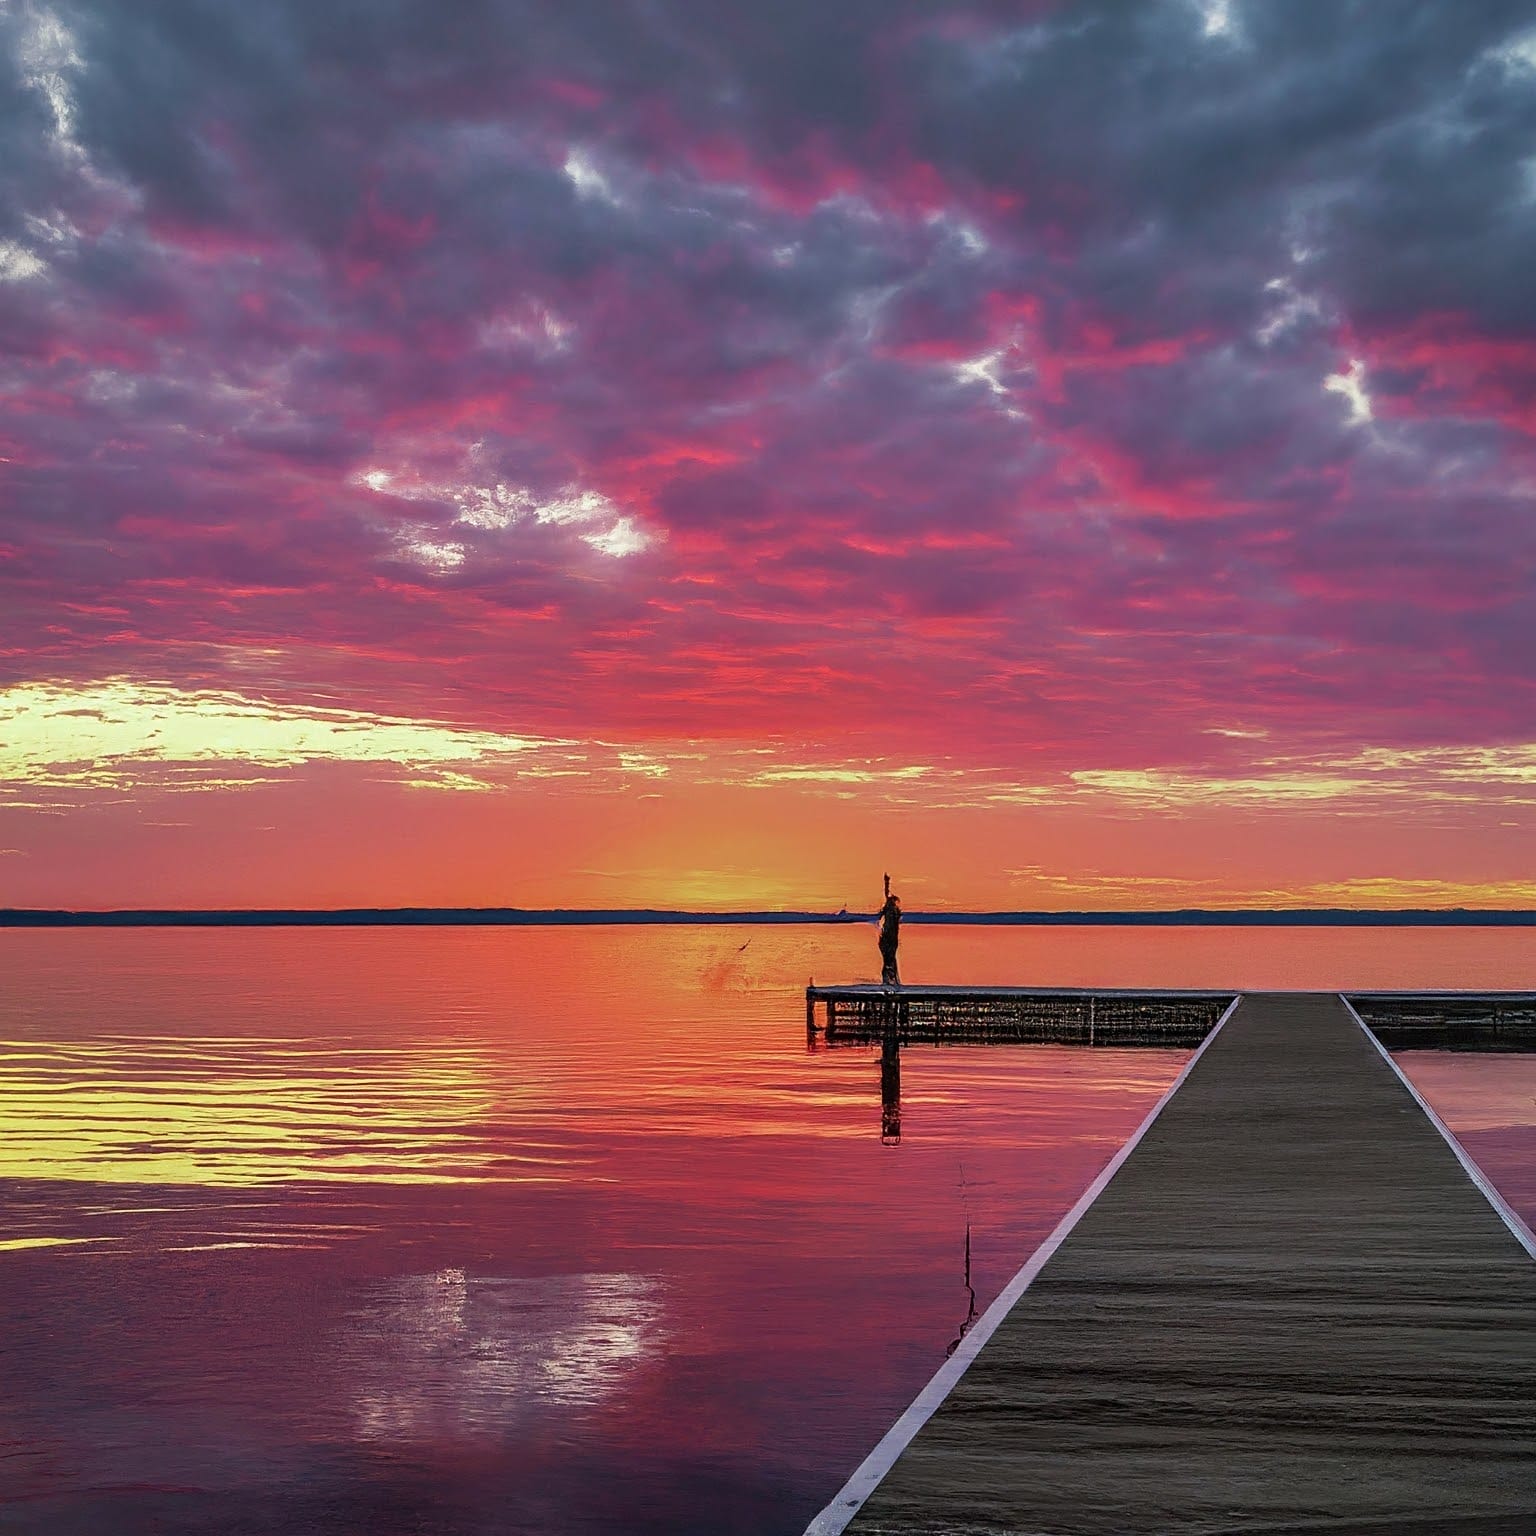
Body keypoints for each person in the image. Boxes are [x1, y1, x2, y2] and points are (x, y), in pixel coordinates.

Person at [877, 872, 901, 986]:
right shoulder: (889, 909)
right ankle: (888, 979)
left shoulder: (895, 911)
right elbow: (886, 894)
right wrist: (886, 883)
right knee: (888, 959)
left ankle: (892, 979)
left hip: (892, 939)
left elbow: (887, 895)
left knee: (891, 959)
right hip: (887, 938)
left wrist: (886, 883)